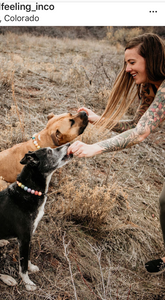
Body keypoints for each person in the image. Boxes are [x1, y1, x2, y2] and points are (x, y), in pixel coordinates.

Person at [67, 32, 165, 274]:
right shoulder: (149, 87)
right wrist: (100, 120)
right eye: (126, 63)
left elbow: (141, 133)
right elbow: (137, 124)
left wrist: (96, 147)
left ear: (150, 59)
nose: (127, 68)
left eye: (132, 62)